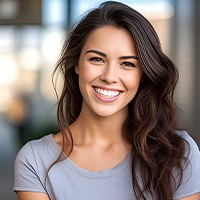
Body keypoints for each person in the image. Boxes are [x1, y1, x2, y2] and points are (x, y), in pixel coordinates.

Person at [14, 1, 200, 200]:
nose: (110, 76)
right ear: (76, 64)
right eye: (97, 59)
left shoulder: (177, 153)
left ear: (143, 75)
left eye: (127, 64)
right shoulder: (35, 159)